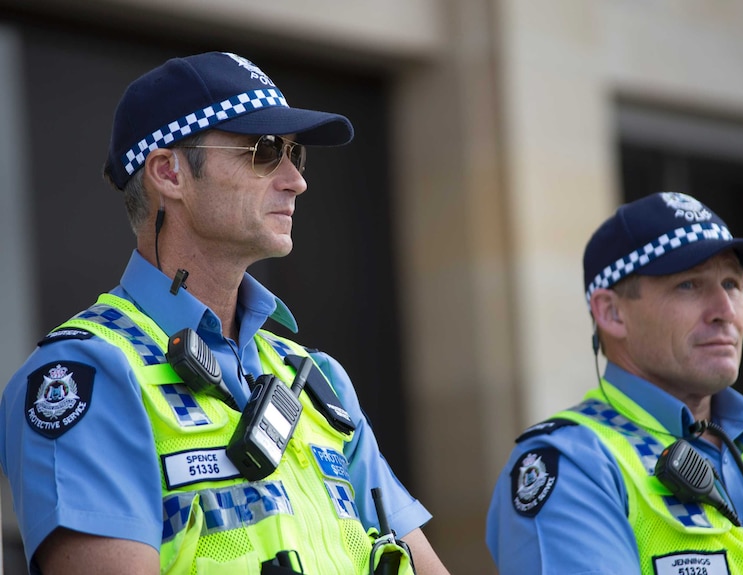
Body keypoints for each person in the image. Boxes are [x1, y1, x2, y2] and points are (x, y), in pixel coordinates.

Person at [0, 51, 450, 575]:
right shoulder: (87, 376)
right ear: (168, 172)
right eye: (263, 151)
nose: (295, 180)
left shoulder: (318, 380)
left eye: (294, 155)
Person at [486, 191, 743, 574]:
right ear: (611, 313)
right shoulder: (574, 465)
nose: (725, 312)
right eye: (689, 285)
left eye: (732, 284)